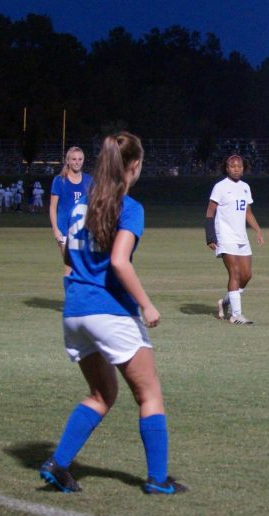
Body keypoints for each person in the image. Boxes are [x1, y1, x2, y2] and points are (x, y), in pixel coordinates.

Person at [39, 131, 186, 495]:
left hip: (74, 311)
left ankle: (58, 464)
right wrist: (147, 304)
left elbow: (68, 257)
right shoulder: (130, 208)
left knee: (102, 393)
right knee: (150, 394)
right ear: (134, 166)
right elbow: (120, 262)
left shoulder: (79, 205)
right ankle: (158, 480)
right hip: (109, 312)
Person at [205, 155, 265, 324]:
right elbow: (210, 212)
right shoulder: (220, 187)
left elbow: (248, 212)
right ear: (227, 168)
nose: (237, 169)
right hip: (225, 235)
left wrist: (258, 230)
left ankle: (225, 302)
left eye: (239, 166)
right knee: (235, 273)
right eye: (233, 166)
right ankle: (236, 315)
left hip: (241, 237)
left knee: (246, 275)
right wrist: (210, 236)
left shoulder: (245, 187)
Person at [49, 146, 93, 273]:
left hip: (82, 231)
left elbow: (94, 205)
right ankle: (71, 292)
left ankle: (82, 292)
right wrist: (55, 229)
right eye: (74, 159)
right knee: (71, 267)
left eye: (80, 159)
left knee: (83, 268)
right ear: (67, 161)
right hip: (63, 231)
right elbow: (52, 207)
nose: (77, 162)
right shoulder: (59, 181)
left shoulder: (89, 181)